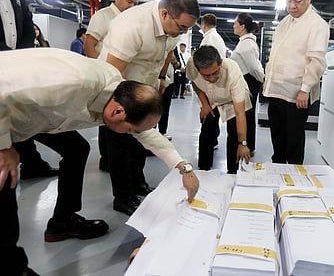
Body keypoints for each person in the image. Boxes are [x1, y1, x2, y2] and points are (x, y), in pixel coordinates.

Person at [0, 47, 199, 276]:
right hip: (5, 116)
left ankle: (62, 222)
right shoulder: (70, 82)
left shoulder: (119, 95)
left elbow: (146, 134)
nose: (130, 135)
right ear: (117, 113)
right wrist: (4, 146)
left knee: (76, 148)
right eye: (129, 130)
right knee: (5, 178)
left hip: (29, 117)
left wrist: (184, 168)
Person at [98, 0, 200, 215]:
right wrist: (128, 108)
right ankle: (123, 196)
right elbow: (112, 73)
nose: (182, 32)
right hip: (120, 94)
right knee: (121, 146)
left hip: (144, 91)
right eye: (181, 27)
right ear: (164, 14)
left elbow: (168, 55)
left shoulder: (172, 29)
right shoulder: (132, 26)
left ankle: (138, 183)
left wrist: (161, 79)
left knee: (139, 146)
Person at [263, 0, 330, 164]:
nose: (292, 6)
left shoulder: (317, 25)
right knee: (277, 138)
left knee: (293, 142)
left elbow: (316, 60)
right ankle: (277, 172)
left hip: (296, 95)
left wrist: (305, 89)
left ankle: (293, 180)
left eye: (298, 1)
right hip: (276, 91)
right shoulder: (285, 23)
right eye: (289, 1)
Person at [0, 0, 58, 183]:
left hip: (16, 67)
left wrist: (20, 58)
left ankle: (32, 163)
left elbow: (26, 21)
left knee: (19, 114)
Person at [84, 0, 139, 171]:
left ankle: (115, 158)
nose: (131, 6)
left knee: (117, 117)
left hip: (120, 76)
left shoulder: (129, 19)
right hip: (104, 74)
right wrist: (100, 70)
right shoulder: (103, 16)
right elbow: (89, 44)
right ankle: (105, 159)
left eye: (135, 3)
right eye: (129, 2)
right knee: (105, 118)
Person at [186, 45, 251, 174]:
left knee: (234, 133)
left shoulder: (232, 70)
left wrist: (242, 144)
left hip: (232, 99)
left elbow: (240, 113)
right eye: (206, 75)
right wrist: (205, 104)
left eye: (215, 73)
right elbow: (194, 82)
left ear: (220, 63)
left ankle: (232, 172)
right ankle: (203, 170)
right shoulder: (191, 65)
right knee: (207, 129)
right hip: (211, 99)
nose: (212, 78)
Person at [230, 12, 264, 156]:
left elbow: (254, 67)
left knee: (247, 115)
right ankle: (250, 145)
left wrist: (263, 80)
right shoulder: (245, 41)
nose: (233, 26)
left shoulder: (247, 44)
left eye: (235, 23)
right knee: (248, 114)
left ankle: (248, 146)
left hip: (249, 81)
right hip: (248, 80)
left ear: (242, 26)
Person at [199, 13, 227, 149]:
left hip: (209, 82)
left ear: (203, 25)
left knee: (208, 114)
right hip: (217, 80)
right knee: (214, 113)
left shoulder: (208, 39)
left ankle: (209, 143)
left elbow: (203, 64)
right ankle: (213, 139)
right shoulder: (218, 38)